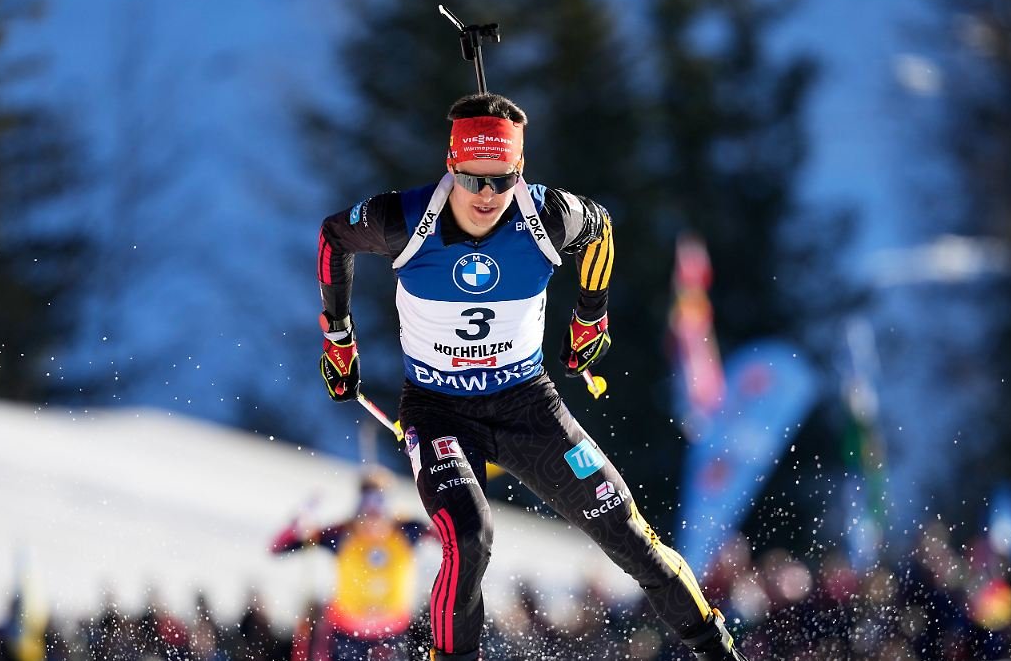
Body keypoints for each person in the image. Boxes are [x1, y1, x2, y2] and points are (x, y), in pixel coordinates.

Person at [315, 92, 748, 661]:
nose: (488, 196)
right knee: (469, 538)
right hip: (439, 410)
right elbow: (334, 236)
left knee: (629, 535)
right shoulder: (404, 219)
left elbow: (601, 232)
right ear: (453, 167)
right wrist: (339, 338)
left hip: (527, 405)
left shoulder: (547, 215)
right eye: (474, 181)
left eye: (503, 180)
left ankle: (718, 651)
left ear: (520, 172)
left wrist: (590, 317)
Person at [270, 468, 432, 661]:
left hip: (390, 635)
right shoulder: (342, 534)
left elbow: (451, 536)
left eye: (380, 502)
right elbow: (279, 548)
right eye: (367, 502)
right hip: (345, 635)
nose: (373, 513)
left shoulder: (407, 530)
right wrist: (297, 522)